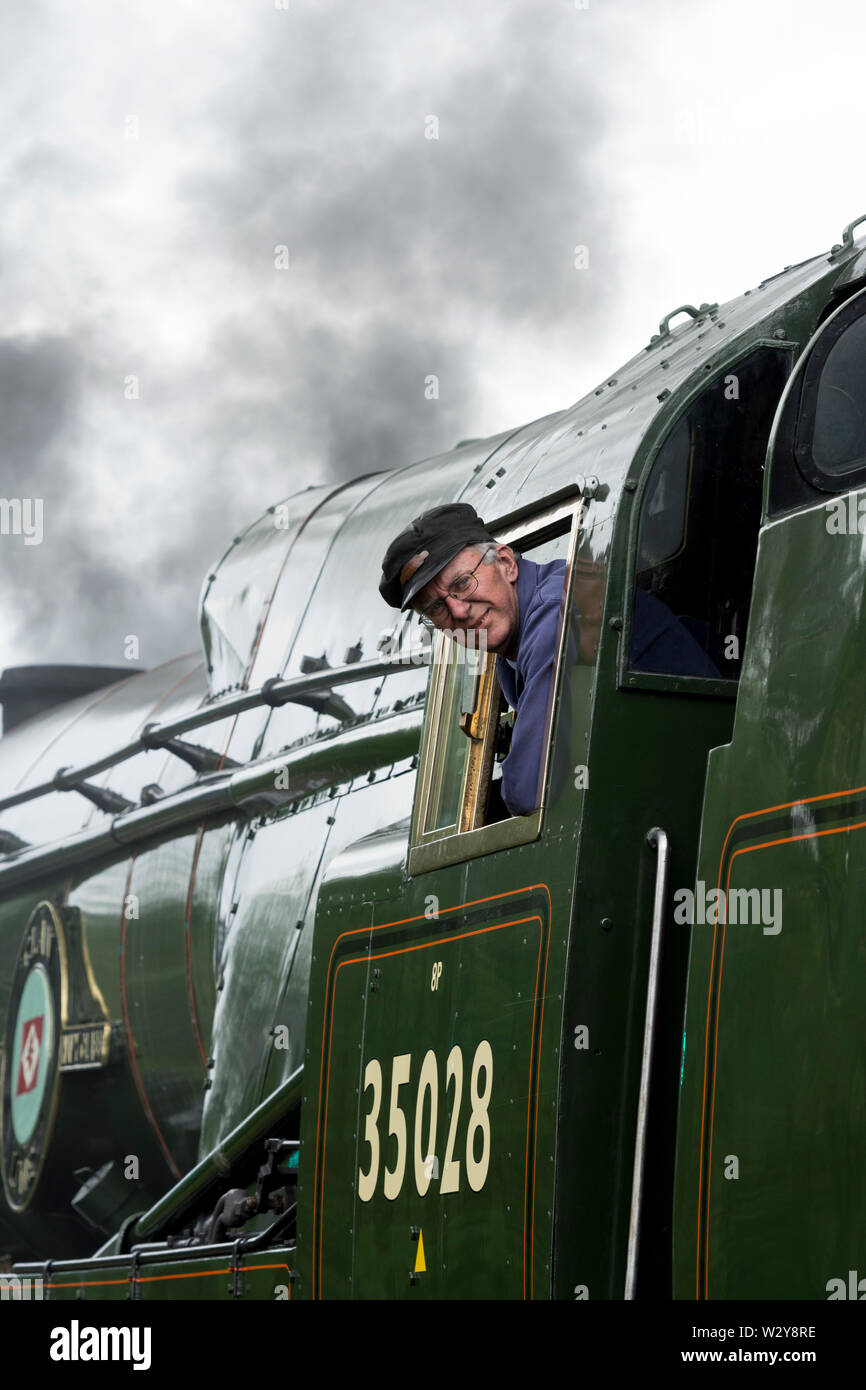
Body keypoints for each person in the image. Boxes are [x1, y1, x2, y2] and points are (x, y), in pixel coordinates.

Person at [379, 503, 565, 817]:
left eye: (463, 583)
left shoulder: (557, 612)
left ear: (506, 563)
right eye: (436, 608)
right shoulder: (508, 653)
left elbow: (528, 791)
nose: (459, 612)